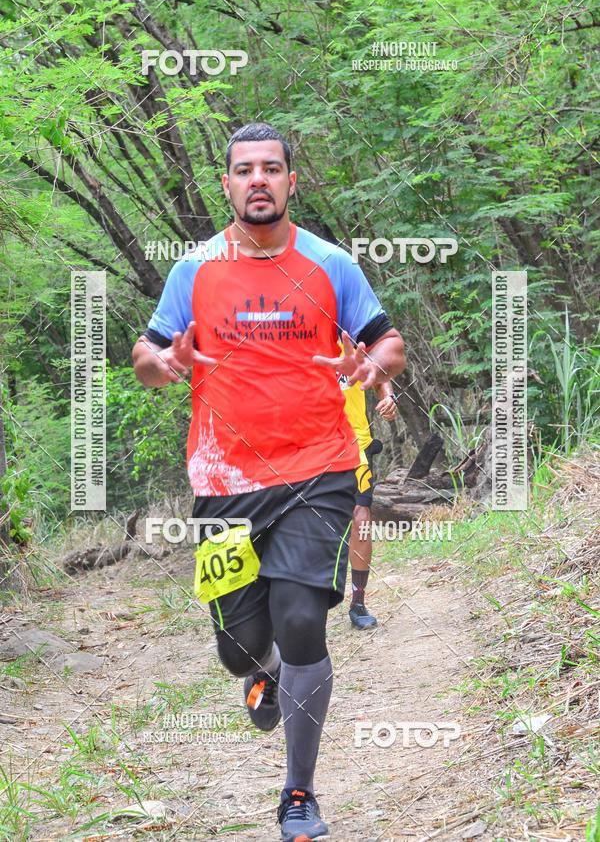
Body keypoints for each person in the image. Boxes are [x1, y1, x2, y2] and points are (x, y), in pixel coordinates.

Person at [132, 123, 406, 841]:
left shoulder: (331, 264)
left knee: (302, 618)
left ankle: (298, 796)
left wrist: (374, 365)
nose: (259, 180)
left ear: (291, 182)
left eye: (272, 169)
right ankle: (265, 672)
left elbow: (387, 338)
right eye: (244, 170)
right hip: (224, 480)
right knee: (239, 646)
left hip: (318, 467)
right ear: (225, 185)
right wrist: (164, 364)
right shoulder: (194, 270)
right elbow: (146, 352)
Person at [338, 360, 397, 629]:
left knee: (361, 520)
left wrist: (388, 397)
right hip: (306, 448)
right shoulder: (294, 338)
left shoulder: (347, 338)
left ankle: (358, 602)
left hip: (353, 446)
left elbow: (379, 372)